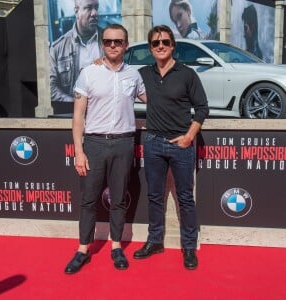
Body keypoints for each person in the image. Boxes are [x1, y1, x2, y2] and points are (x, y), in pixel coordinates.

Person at [64, 23, 146, 274]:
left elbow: (155, 100)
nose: (112, 45)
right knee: (88, 200)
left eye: (118, 41)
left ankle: (116, 246)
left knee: (119, 199)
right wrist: (79, 150)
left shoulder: (134, 75)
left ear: (126, 45)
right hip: (95, 143)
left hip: (123, 142)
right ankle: (83, 249)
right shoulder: (88, 73)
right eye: (108, 41)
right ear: (102, 44)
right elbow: (78, 117)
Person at [133, 25, 209, 270]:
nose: (161, 46)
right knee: (154, 196)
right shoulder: (143, 73)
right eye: (155, 43)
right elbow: (118, 78)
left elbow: (202, 108)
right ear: (150, 48)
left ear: (173, 45)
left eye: (165, 41)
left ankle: (189, 247)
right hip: (153, 142)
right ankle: (155, 241)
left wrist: (189, 137)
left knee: (185, 198)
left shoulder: (187, 74)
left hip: (181, 144)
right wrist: (101, 62)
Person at [49, 0, 104, 115]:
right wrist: (76, 102)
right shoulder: (58, 48)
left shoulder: (110, 43)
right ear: (76, 12)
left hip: (104, 114)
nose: (94, 13)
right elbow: (51, 86)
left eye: (96, 8)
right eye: (88, 8)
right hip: (71, 114)